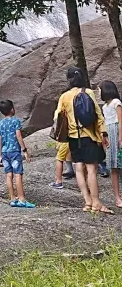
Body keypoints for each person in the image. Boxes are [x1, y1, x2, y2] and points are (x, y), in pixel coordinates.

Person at [55, 66, 111, 214]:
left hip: (73, 138)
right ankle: (97, 203)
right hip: (89, 136)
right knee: (92, 170)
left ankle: (87, 202)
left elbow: (57, 118)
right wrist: (103, 134)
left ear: (68, 79)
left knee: (79, 169)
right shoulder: (88, 92)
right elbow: (98, 115)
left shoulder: (64, 96)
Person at [0, 100, 35, 208]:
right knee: (18, 174)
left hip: (4, 152)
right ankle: (22, 199)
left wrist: (0, 155)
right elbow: (18, 136)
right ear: (12, 109)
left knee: (9, 175)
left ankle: (13, 199)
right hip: (14, 152)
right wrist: (25, 150)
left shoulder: (0, 124)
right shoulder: (16, 121)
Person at [100, 80, 122, 208]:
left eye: (100, 89)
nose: (99, 92)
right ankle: (117, 197)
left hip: (117, 132)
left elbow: (120, 120)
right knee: (113, 167)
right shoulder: (104, 106)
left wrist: (120, 138)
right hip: (109, 133)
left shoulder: (116, 102)